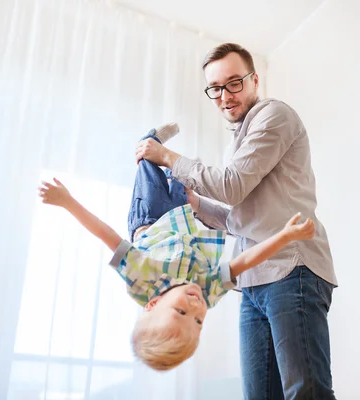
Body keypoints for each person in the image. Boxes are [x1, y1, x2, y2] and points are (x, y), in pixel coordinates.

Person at [134, 43, 338, 399]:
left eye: (234, 83)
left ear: (254, 80)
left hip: (293, 270)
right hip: (253, 283)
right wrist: (196, 205)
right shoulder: (239, 139)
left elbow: (231, 186)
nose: (225, 96)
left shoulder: (274, 116)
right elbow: (241, 220)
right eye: (215, 88)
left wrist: (166, 155)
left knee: (306, 393)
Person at [38, 123, 316, 372]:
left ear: (154, 304)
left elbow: (106, 234)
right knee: (179, 178)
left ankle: (150, 138)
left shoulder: (142, 278)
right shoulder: (206, 291)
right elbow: (244, 262)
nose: (196, 308)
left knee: (147, 163)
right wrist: (284, 236)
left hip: (150, 215)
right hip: (181, 214)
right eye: (197, 321)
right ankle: (166, 160)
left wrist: (68, 202)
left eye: (181, 312)